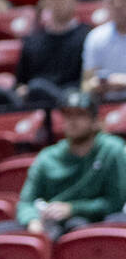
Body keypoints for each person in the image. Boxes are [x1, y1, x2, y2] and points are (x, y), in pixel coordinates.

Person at [17, 90, 126, 239]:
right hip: (48, 222)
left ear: (95, 121)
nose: (72, 121)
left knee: (77, 226)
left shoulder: (112, 149)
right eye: (68, 115)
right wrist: (32, 221)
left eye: (80, 114)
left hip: (94, 221)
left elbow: (115, 202)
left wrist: (73, 208)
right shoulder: (47, 157)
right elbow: (26, 201)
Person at [83, 0, 126, 95]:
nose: (118, 5)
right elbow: (86, 83)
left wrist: (123, 81)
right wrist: (95, 84)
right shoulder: (96, 37)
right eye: (112, 0)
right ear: (105, 4)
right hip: (105, 104)